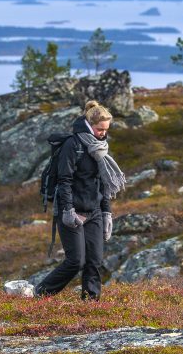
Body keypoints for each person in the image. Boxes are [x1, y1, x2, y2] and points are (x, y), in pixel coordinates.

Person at [35, 100, 126, 299]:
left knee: (94, 261)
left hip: (94, 211)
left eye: (106, 129)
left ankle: (91, 302)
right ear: (89, 124)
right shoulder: (72, 145)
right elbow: (64, 180)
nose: (103, 133)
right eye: (100, 129)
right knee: (76, 261)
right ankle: (41, 293)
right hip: (71, 210)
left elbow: (102, 184)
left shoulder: (100, 147)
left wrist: (107, 212)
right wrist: (67, 210)